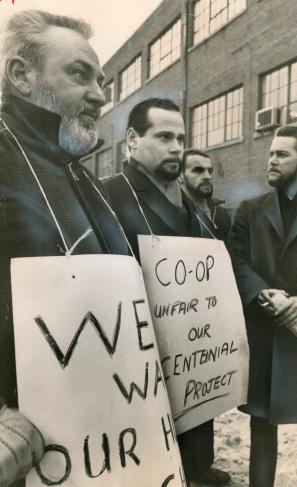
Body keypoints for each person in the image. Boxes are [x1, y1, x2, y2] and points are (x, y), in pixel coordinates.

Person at [0, 10, 130, 487]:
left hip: (100, 440)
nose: (100, 94)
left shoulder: (78, 172)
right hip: (25, 455)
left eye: (102, 80)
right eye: (80, 74)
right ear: (22, 76)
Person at [105, 98, 230, 487]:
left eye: (180, 137)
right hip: (138, 352)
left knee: (194, 438)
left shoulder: (189, 202)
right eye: (163, 136)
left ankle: (197, 470)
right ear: (132, 139)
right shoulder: (107, 194)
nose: (176, 146)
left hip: (192, 351)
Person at [228, 125, 297, 487]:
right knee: (261, 429)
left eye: (281, 154)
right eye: (270, 153)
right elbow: (235, 259)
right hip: (266, 336)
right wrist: (259, 291)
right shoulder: (250, 210)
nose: (271, 160)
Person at [179, 148, 231, 242]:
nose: (207, 176)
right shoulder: (174, 212)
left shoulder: (220, 212)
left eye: (210, 171)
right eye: (198, 170)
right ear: (180, 176)